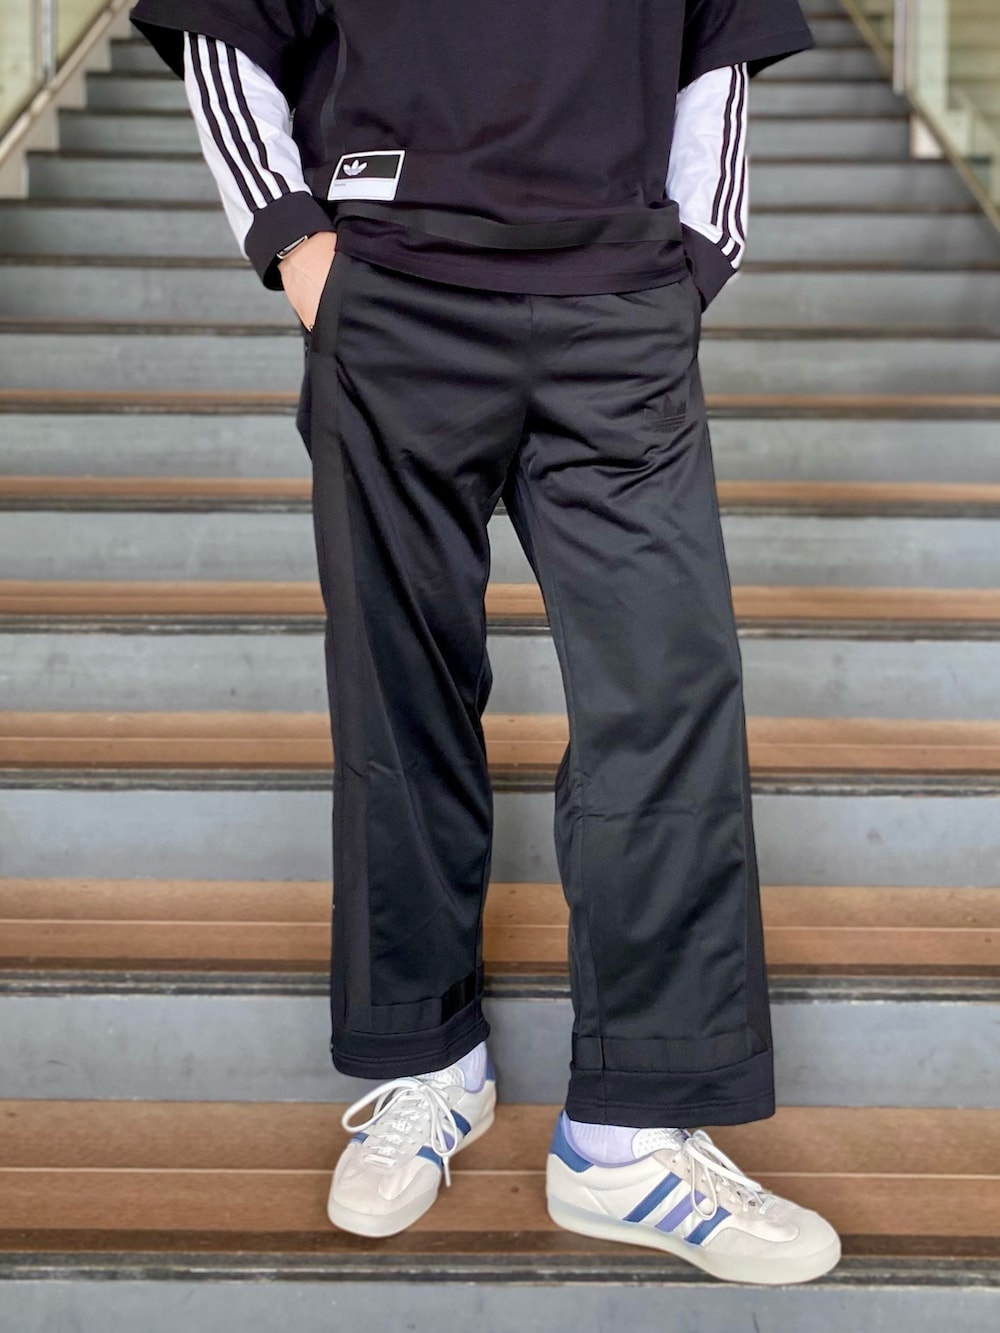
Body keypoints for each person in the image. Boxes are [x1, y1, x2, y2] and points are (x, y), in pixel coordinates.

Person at [128, 0, 841, 1284]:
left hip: (618, 299)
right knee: (398, 691)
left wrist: (694, 255)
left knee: (666, 695)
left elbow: (718, 43)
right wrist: (292, 238)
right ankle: (427, 1061)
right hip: (393, 289)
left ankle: (627, 1140)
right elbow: (226, 28)